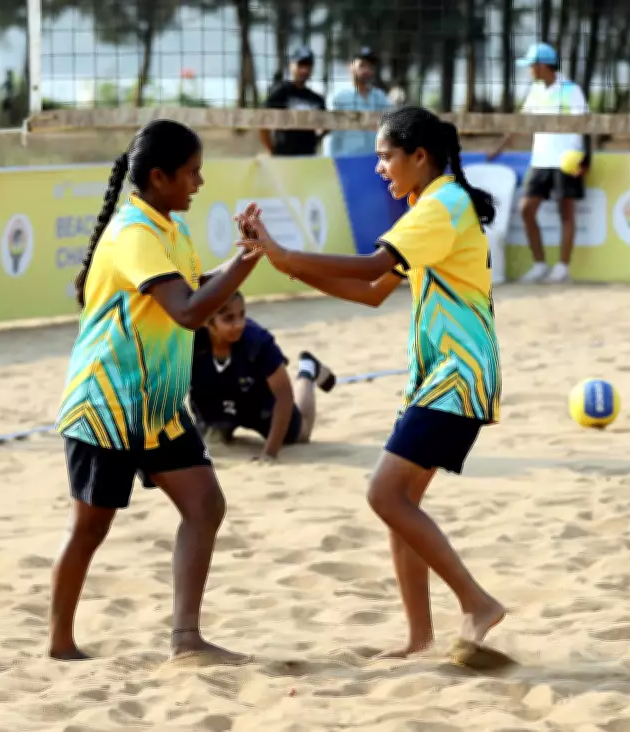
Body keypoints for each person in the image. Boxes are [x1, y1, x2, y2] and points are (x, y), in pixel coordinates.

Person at [236, 106, 505, 656]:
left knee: (384, 495)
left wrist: (286, 253)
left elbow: (367, 267)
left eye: (386, 155)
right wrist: (283, 263)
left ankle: (478, 603)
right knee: (398, 503)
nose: (380, 166)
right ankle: (419, 639)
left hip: (459, 375)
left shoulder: (443, 205)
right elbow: (374, 291)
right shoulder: (433, 206)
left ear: (419, 155)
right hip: (439, 376)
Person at [49, 119, 263, 665]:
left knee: (205, 503)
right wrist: (241, 266)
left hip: (158, 409)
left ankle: (186, 640)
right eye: (192, 173)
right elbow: (190, 312)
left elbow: (190, 291)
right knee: (90, 527)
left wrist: (244, 256)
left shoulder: (169, 226)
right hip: (108, 405)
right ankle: (59, 643)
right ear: (160, 175)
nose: (200, 182)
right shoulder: (134, 233)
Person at [488, 42, 591, 284]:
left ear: (543, 65)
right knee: (526, 209)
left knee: (565, 212)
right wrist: (499, 147)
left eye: (531, 65)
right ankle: (540, 264)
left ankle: (563, 267)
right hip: (541, 159)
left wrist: (586, 160)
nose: (528, 70)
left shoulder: (571, 90)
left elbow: (587, 126)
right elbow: (522, 123)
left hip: (567, 159)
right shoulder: (535, 90)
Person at [190, 290, 336, 461]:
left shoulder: (258, 342)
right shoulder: (188, 343)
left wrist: (269, 453)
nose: (238, 324)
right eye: (228, 318)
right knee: (212, 437)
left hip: (259, 401)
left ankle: (307, 370)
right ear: (208, 322)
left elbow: (284, 395)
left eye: (242, 315)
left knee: (299, 437)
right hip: (217, 397)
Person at [259, 47, 326, 157]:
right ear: (291, 65)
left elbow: (327, 125)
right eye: (300, 65)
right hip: (284, 156)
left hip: (309, 156)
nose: (304, 70)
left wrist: (315, 140)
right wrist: (272, 150)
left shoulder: (316, 99)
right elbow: (262, 123)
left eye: (308, 66)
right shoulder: (280, 93)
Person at [327, 47, 392, 158]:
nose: (366, 70)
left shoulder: (380, 97)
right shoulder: (338, 97)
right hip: (346, 160)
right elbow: (332, 136)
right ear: (350, 66)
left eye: (370, 66)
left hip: (375, 161)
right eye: (362, 65)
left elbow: (391, 127)